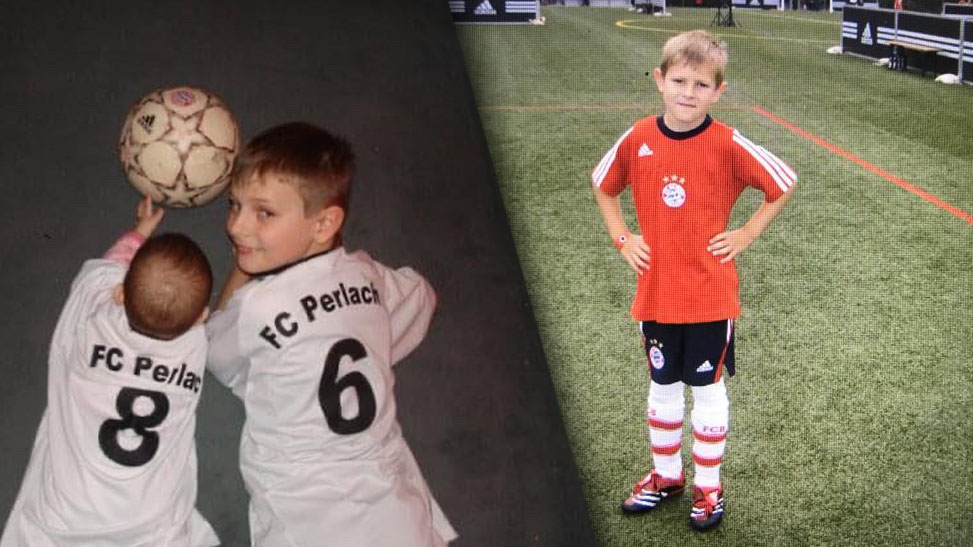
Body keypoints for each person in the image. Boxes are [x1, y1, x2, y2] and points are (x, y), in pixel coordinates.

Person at [206, 122, 458, 547]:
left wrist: (241, 269)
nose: (237, 227)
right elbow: (423, 296)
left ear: (323, 224)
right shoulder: (368, 275)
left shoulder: (257, 307)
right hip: (391, 502)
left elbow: (216, 352)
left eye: (263, 212)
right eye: (234, 205)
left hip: (304, 507)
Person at [591, 30, 795, 531]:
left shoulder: (727, 142)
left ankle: (708, 486)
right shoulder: (638, 137)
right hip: (656, 293)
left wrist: (745, 234)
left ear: (718, 91)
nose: (688, 92)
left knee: (706, 390)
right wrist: (623, 239)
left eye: (701, 84)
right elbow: (602, 185)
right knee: (661, 384)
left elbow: (783, 182)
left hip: (708, 296)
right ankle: (666, 476)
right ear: (660, 80)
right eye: (679, 80)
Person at [1, 197, 219, 546]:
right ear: (200, 319)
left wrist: (141, 231)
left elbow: (108, 265)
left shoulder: (93, 316)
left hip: (68, 510)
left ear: (119, 294)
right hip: (148, 519)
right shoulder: (193, 346)